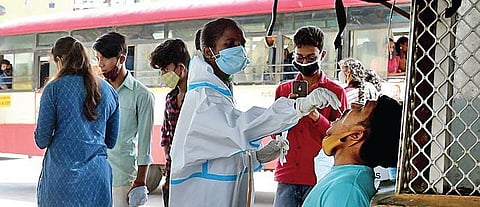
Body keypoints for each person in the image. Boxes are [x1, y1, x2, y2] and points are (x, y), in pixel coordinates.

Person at [168, 18, 341, 207]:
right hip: (205, 197)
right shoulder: (204, 98)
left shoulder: (218, 91)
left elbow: (223, 148)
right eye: (230, 44)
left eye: (241, 43)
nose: (239, 49)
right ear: (209, 52)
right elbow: (240, 129)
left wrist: (255, 157)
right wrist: (298, 106)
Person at [34, 36, 120, 207]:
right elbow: (111, 141)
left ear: (60, 60)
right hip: (97, 180)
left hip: (61, 181)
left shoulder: (53, 89)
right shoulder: (109, 91)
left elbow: (41, 140)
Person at [272, 26, 348, 207]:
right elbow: (274, 133)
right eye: (300, 58)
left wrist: (315, 116)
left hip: (318, 177)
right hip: (287, 174)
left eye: (311, 58)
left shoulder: (335, 92)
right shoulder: (283, 90)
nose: (305, 62)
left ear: (322, 55)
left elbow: (341, 138)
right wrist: (289, 110)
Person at [303, 95, 402, 207]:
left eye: (361, 109)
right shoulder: (345, 181)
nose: (353, 105)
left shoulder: (346, 190)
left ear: (356, 135)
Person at [93, 31, 155, 207]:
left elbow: (145, 143)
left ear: (121, 58)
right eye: (98, 58)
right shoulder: (96, 91)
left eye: (105, 58)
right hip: (94, 175)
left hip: (122, 179)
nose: (101, 64)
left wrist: (140, 181)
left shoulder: (142, 95)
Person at [149, 38, 191, 207]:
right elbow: (166, 134)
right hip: (172, 176)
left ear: (180, 68)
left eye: (165, 69)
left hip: (192, 176)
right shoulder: (170, 98)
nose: (163, 75)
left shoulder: (198, 97)